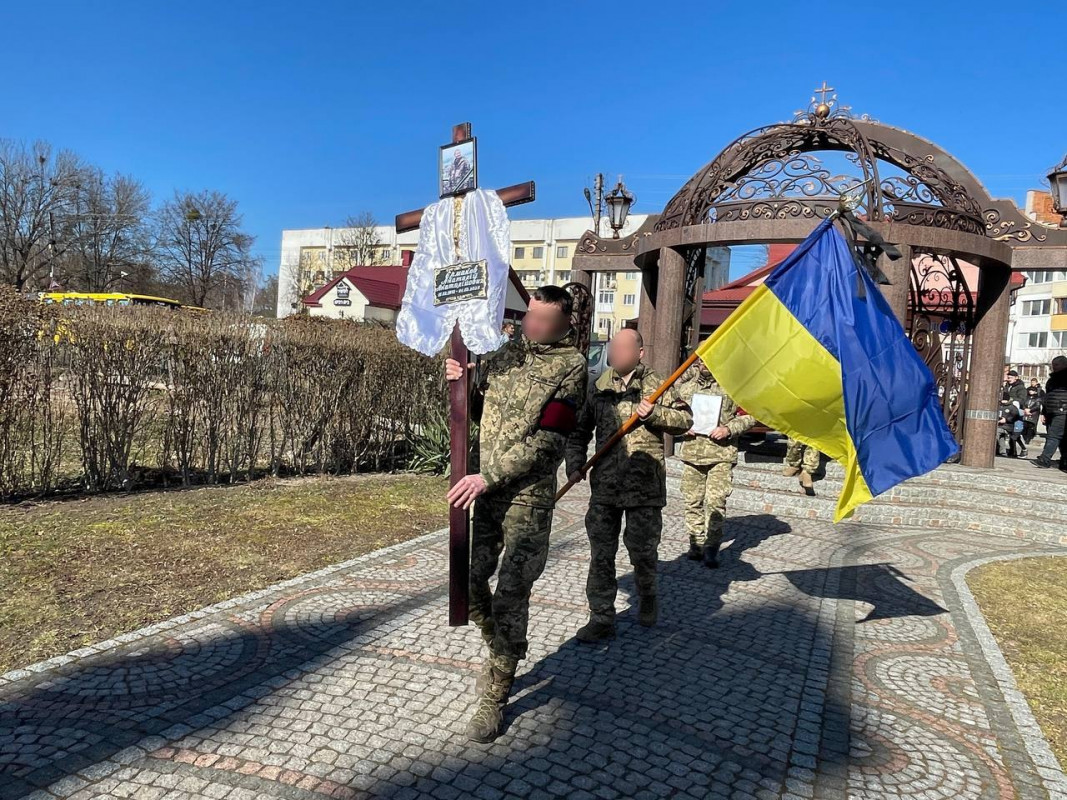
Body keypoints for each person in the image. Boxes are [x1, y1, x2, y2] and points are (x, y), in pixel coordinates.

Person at [445, 285, 586, 742]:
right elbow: (476, 405)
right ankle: (506, 647)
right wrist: (459, 377)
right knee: (466, 582)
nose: (534, 326)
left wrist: (490, 475)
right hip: (484, 494)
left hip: (526, 498)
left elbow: (550, 440)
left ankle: (497, 689)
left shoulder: (573, 367)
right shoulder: (506, 354)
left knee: (511, 594)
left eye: (545, 321)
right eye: (531, 317)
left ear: (565, 324)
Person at [564, 328, 692, 642]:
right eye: (613, 347)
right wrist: (574, 462)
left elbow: (686, 422)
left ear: (639, 352)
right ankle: (602, 617)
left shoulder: (657, 383)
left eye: (623, 347)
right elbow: (580, 430)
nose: (615, 353)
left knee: (643, 553)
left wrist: (656, 414)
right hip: (605, 487)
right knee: (601, 555)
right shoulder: (600, 386)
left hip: (643, 488)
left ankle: (647, 595)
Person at [675, 359, 755, 568]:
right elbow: (672, 414)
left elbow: (751, 415)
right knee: (692, 501)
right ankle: (696, 543)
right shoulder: (686, 388)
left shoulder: (733, 387)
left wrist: (728, 429)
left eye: (708, 359)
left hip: (721, 454)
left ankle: (711, 547)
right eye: (699, 360)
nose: (703, 364)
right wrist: (682, 427)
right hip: (693, 453)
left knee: (715, 502)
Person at [1035, 355, 1067, 471]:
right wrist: (1044, 412)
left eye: (1057, 365)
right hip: (1053, 411)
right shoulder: (1052, 380)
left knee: (1054, 436)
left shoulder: (1057, 379)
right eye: (1053, 365)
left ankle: (1045, 459)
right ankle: (1064, 461)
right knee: (1060, 437)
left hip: (1062, 411)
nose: (1054, 367)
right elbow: (1047, 397)